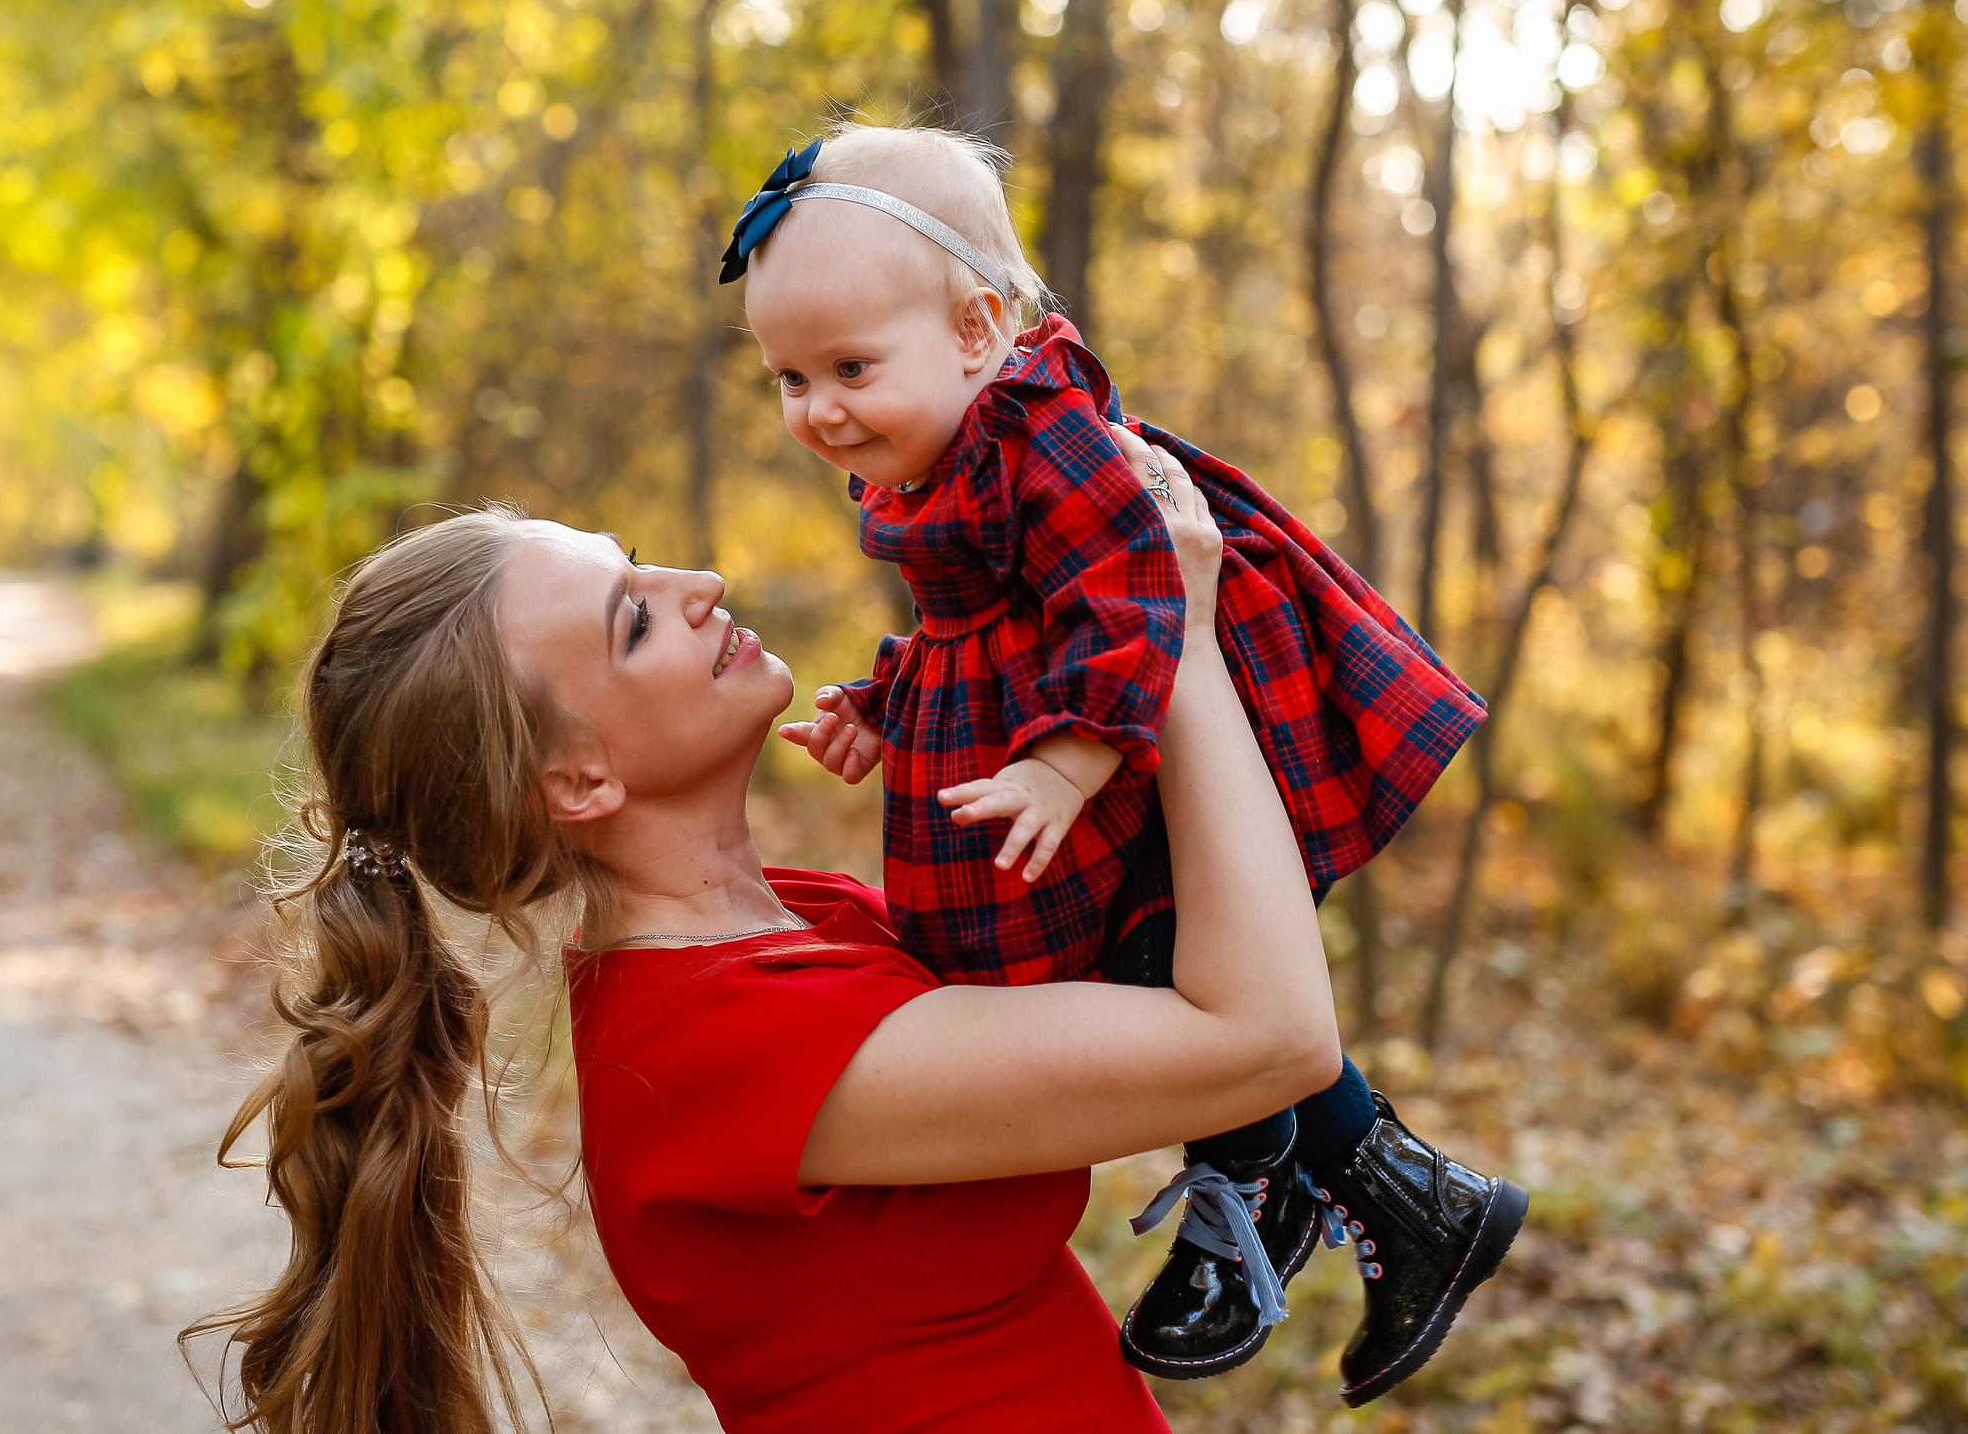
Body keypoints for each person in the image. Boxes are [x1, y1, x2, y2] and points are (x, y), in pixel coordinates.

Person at [188, 439, 1403, 1434]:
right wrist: (1170, 643)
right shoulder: (716, 1048)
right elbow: (1269, 1036)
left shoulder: (807, 916)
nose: (698, 585)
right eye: (633, 621)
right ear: (577, 784)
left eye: (640, 567)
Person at [731, 123, 1523, 1398]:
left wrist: (1067, 761)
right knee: (1144, 958)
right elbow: (981, 613)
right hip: (1084, 709)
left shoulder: (1044, 433)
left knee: (1162, 956)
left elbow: (1125, 589)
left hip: (1158, 702)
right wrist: (885, 701)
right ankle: (1408, 1200)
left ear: (979, 329)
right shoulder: (931, 440)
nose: (817, 410)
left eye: (848, 366)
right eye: (787, 378)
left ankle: (1258, 1178)